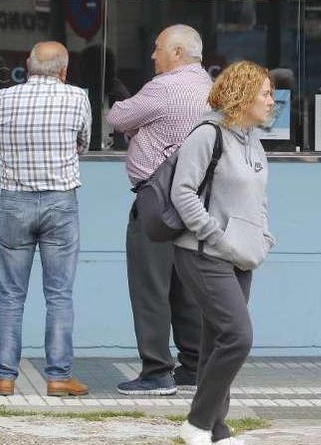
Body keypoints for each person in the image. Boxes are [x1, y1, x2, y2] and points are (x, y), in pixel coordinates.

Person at [172, 61, 276, 445]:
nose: (271, 100)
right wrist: (214, 234)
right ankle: (198, 423)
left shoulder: (253, 140)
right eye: (265, 92)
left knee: (218, 341)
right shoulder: (206, 134)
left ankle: (216, 430)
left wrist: (263, 236)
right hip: (203, 254)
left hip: (241, 257)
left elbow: (259, 196)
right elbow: (182, 192)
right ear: (243, 93)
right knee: (237, 337)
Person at [106, 24, 210, 395]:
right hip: (199, 201)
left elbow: (117, 117)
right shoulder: (212, 90)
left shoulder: (164, 88)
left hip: (157, 200)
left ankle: (156, 371)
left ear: (178, 52)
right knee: (188, 286)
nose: (153, 55)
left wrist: (137, 129)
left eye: (157, 48)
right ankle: (194, 366)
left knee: (151, 286)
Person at [0, 41, 91, 397]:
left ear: (28, 66)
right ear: (64, 69)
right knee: (59, 293)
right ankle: (59, 376)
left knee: (10, 294)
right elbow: (83, 143)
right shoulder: (77, 97)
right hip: (61, 202)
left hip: (14, 200)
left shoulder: (2, 98)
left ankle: (3, 377)